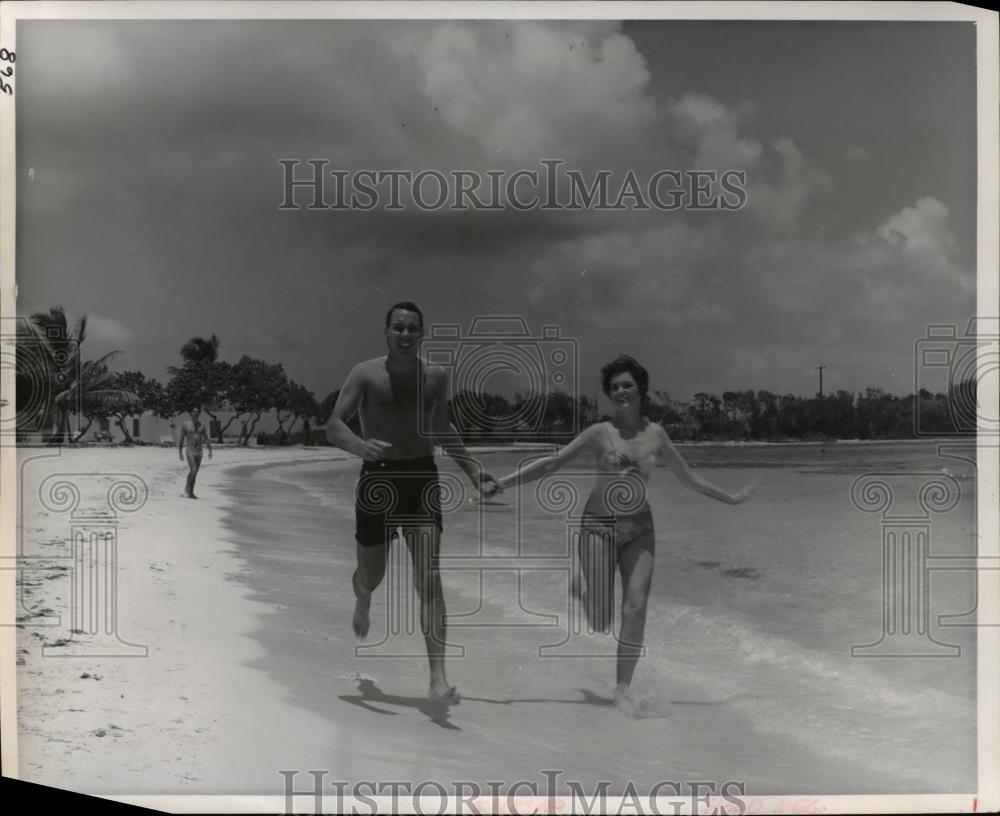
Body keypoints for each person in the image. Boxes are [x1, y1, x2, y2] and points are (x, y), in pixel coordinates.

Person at [496, 355, 753, 711]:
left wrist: (731, 498)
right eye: (615, 387)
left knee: (635, 610)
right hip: (597, 527)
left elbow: (688, 478)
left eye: (627, 385)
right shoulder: (599, 433)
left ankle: (622, 692)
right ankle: (582, 584)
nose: (621, 391)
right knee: (600, 621)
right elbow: (552, 463)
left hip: (640, 529)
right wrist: (503, 483)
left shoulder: (657, 434)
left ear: (641, 388)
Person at [324, 301, 500, 704]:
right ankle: (363, 596)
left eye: (413, 329)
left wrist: (472, 469)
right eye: (398, 328)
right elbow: (333, 425)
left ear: (422, 334)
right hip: (378, 479)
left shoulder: (436, 377)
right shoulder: (365, 373)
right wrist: (360, 446)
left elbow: (440, 427)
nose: (405, 335)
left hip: (420, 479)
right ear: (386, 332)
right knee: (372, 576)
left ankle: (437, 677)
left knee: (429, 580)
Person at [178, 406, 212, 499]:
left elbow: (207, 439)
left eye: (198, 411)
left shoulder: (202, 425)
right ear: (191, 413)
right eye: (194, 411)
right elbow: (181, 440)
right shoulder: (185, 425)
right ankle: (186, 488)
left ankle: (191, 492)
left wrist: (210, 451)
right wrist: (180, 452)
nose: (196, 412)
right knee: (193, 469)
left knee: (195, 472)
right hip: (190, 450)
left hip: (199, 451)